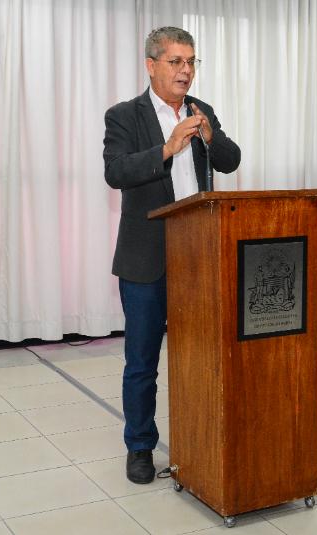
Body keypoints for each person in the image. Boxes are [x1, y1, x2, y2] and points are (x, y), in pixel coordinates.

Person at [103, 27, 241, 483]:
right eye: (176, 61)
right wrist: (167, 149)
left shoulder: (202, 110)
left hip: (199, 257)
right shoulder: (125, 115)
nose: (186, 71)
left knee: (201, 355)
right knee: (142, 361)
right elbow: (116, 171)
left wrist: (210, 137)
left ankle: (198, 440)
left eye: (191, 62)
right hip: (146, 259)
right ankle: (140, 446)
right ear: (151, 65)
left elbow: (230, 161)